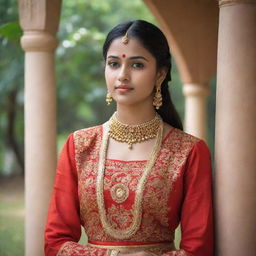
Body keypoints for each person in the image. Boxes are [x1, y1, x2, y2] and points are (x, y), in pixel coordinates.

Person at [44, 20, 213, 256]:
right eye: (114, 64)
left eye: (137, 65)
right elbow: (55, 242)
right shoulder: (79, 146)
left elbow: (199, 248)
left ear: (160, 74)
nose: (122, 75)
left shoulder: (188, 151)